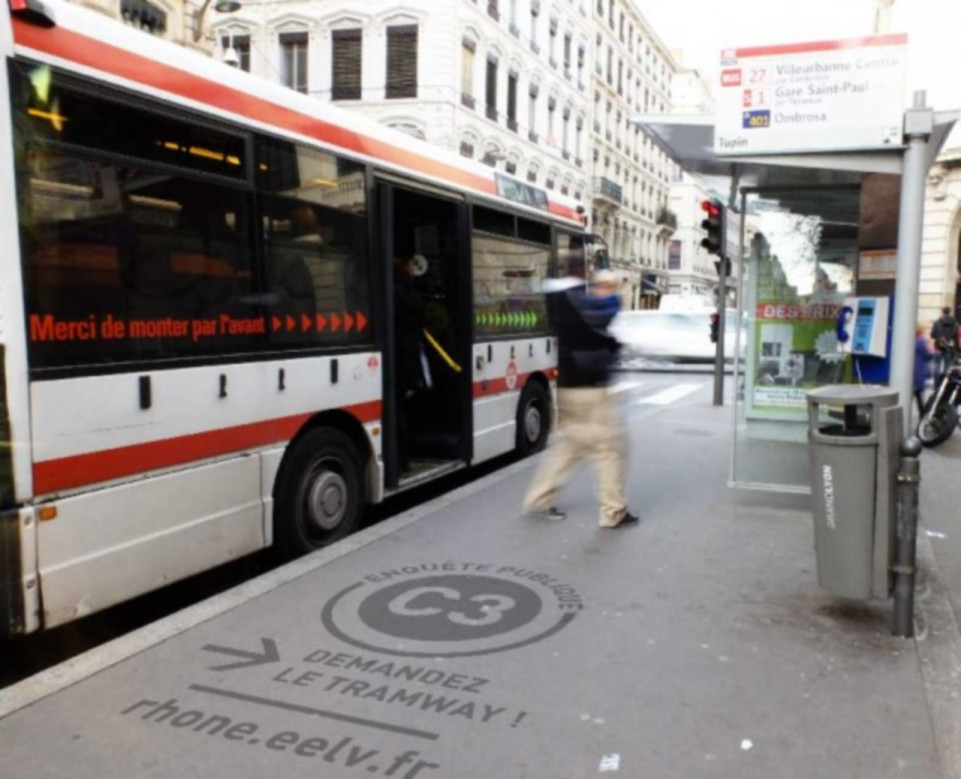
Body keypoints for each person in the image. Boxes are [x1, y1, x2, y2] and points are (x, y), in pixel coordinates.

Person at [522, 269, 639, 528]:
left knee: (570, 446)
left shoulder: (576, 310)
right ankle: (614, 512)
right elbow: (601, 324)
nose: (607, 292)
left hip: (570, 390)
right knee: (611, 449)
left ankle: (539, 499)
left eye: (610, 287)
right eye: (605, 286)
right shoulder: (589, 310)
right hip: (590, 392)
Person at [393, 254, 428, 473]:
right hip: (405, 359)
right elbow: (420, 314)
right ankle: (403, 460)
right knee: (400, 410)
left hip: (399, 358)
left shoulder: (393, 291)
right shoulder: (406, 294)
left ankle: (402, 459)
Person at [930, 305, 958, 382]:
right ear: (950, 312)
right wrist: (948, 338)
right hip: (949, 346)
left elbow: (932, 335)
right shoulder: (954, 322)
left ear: (942, 312)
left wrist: (939, 337)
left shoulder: (937, 322)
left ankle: (936, 383)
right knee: (947, 366)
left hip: (938, 346)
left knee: (937, 365)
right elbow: (955, 334)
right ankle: (945, 382)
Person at [914, 325, 933, 417]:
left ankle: (922, 412)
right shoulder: (922, 341)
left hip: (914, 370)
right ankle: (923, 412)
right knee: (919, 394)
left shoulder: (913, 341)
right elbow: (929, 354)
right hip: (919, 369)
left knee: (916, 393)